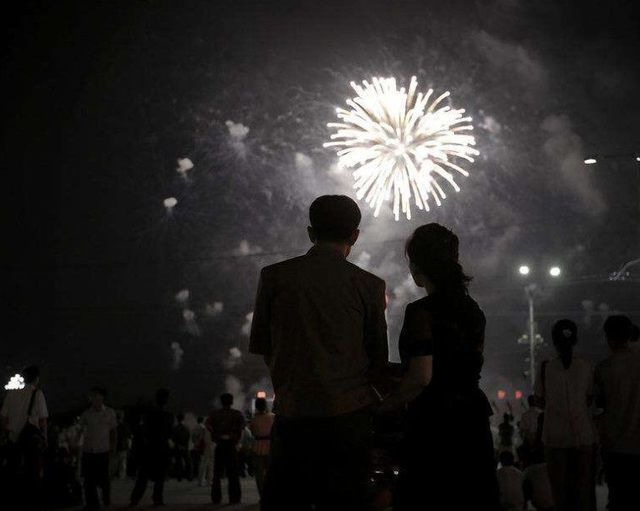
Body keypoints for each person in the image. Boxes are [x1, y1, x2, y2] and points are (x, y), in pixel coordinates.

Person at [249, 195, 389, 511]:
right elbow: (377, 359)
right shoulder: (369, 285)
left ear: (311, 232)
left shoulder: (274, 277)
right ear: (355, 234)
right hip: (350, 422)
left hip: (293, 418)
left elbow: (263, 347)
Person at [386, 224, 499, 510]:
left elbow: (422, 377)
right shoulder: (474, 311)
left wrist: (385, 404)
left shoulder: (420, 313)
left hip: (434, 426)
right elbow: (467, 364)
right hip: (473, 422)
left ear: (419, 266)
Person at [534, 319, 596, 511]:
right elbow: (589, 399)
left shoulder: (545, 368)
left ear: (554, 341)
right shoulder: (586, 367)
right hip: (583, 438)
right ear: (575, 340)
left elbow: (540, 402)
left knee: (560, 496)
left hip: (555, 440)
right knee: (584, 494)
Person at [594, 315, 640, 511]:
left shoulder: (604, 368)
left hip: (615, 446)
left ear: (608, 338)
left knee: (618, 498)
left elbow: (600, 406)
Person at [0, 365, 48, 510]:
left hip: (13, 437)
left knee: (13, 471)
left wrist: (5, 433)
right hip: (30, 439)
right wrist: (45, 437)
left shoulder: (11, 394)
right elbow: (42, 419)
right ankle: (32, 502)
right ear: (36, 379)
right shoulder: (37, 394)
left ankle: (14, 501)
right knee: (32, 471)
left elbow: (3, 417)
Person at [130, 389, 174, 507]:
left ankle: (135, 499)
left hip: (149, 448)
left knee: (143, 477)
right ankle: (157, 499)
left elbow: (143, 432)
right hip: (162, 448)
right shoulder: (168, 416)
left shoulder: (149, 415)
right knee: (160, 477)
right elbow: (169, 434)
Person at [79, 386, 117, 510]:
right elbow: (80, 430)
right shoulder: (86, 414)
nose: (94, 398)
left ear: (102, 397)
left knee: (104, 479)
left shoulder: (110, 413)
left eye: (96, 395)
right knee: (89, 480)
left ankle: (106, 500)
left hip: (103, 450)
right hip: (89, 451)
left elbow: (113, 431)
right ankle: (92, 503)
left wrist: (113, 447)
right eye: (92, 396)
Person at [207, 393, 245, 504]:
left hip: (219, 445)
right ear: (231, 402)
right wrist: (234, 437)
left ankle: (216, 498)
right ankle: (234, 498)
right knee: (233, 473)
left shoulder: (214, 414)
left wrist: (216, 434)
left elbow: (208, 425)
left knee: (217, 474)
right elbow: (242, 427)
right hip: (231, 445)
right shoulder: (236, 414)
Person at [249, 397, 275, 499]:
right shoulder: (273, 417)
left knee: (259, 474)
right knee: (272, 472)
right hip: (270, 446)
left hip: (257, 446)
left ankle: (262, 494)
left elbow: (252, 431)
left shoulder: (253, 419)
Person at [172, 413, 191, 481]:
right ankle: (189, 476)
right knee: (188, 462)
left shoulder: (175, 428)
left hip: (177, 447)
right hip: (185, 447)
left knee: (178, 463)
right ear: (183, 419)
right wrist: (185, 445)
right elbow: (188, 437)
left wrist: (178, 445)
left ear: (177, 419)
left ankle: (179, 477)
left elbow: (173, 438)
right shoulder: (187, 427)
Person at [112, 410, 130, 479]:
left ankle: (117, 475)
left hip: (118, 446)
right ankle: (121, 476)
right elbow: (128, 438)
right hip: (121, 446)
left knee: (117, 462)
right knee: (122, 463)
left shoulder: (115, 425)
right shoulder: (124, 426)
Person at [190, 416, 206, 484]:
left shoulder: (194, 428)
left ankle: (194, 475)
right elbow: (203, 438)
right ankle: (200, 477)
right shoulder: (203, 428)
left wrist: (195, 443)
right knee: (202, 462)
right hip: (201, 447)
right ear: (202, 421)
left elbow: (192, 437)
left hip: (195, 446)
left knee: (195, 461)